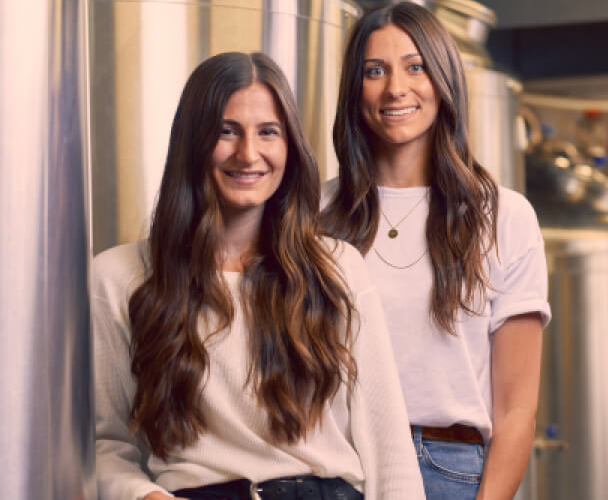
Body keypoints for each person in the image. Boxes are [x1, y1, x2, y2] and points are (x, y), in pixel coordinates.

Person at [91, 51, 425, 500]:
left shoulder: (337, 268)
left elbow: (389, 450)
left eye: (268, 132)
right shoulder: (117, 278)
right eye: (226, 132)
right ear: (193, 142)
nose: (249, 154)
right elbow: (105, 445)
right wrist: (142, 496)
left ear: (289, 146)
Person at [320, 2, 551, 500]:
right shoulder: (314, 213)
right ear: (353, 90)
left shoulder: (503, 217)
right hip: (335, 466)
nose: (394, 88)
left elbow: (516, 409)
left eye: (415, 66)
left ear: (443, 80)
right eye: (373, 71)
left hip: (447, 470)